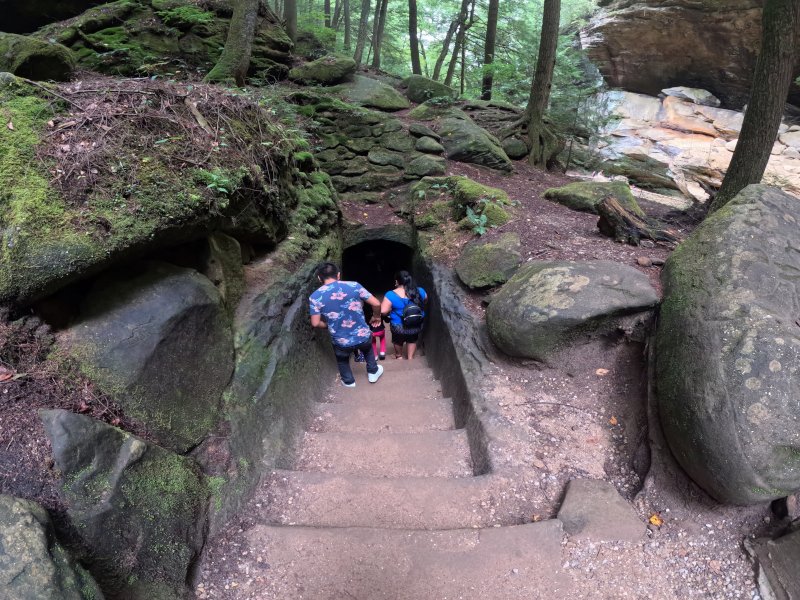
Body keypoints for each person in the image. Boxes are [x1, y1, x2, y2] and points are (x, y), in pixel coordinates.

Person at [309, 262, 384, 387]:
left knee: (342, 360)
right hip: (362, 335)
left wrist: (330, 325)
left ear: (319, 278)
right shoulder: (354, 286)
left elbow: (315, 323)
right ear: (338, 275)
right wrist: (376, 316)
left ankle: (349, 381)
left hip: (340, 340)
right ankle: (373, 372)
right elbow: (376, 303)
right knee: (367, 349)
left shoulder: (315, 297)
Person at [381, 270, 427, 360]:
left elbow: (383, 312)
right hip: (415, 324)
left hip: (398, 326)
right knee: (412, 339)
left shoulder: (390, 294)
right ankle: (410, 358)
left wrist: (392, 309)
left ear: (397, 281)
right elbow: (425, 301)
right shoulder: (420, 290)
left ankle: (399, 356)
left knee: (397, 340)